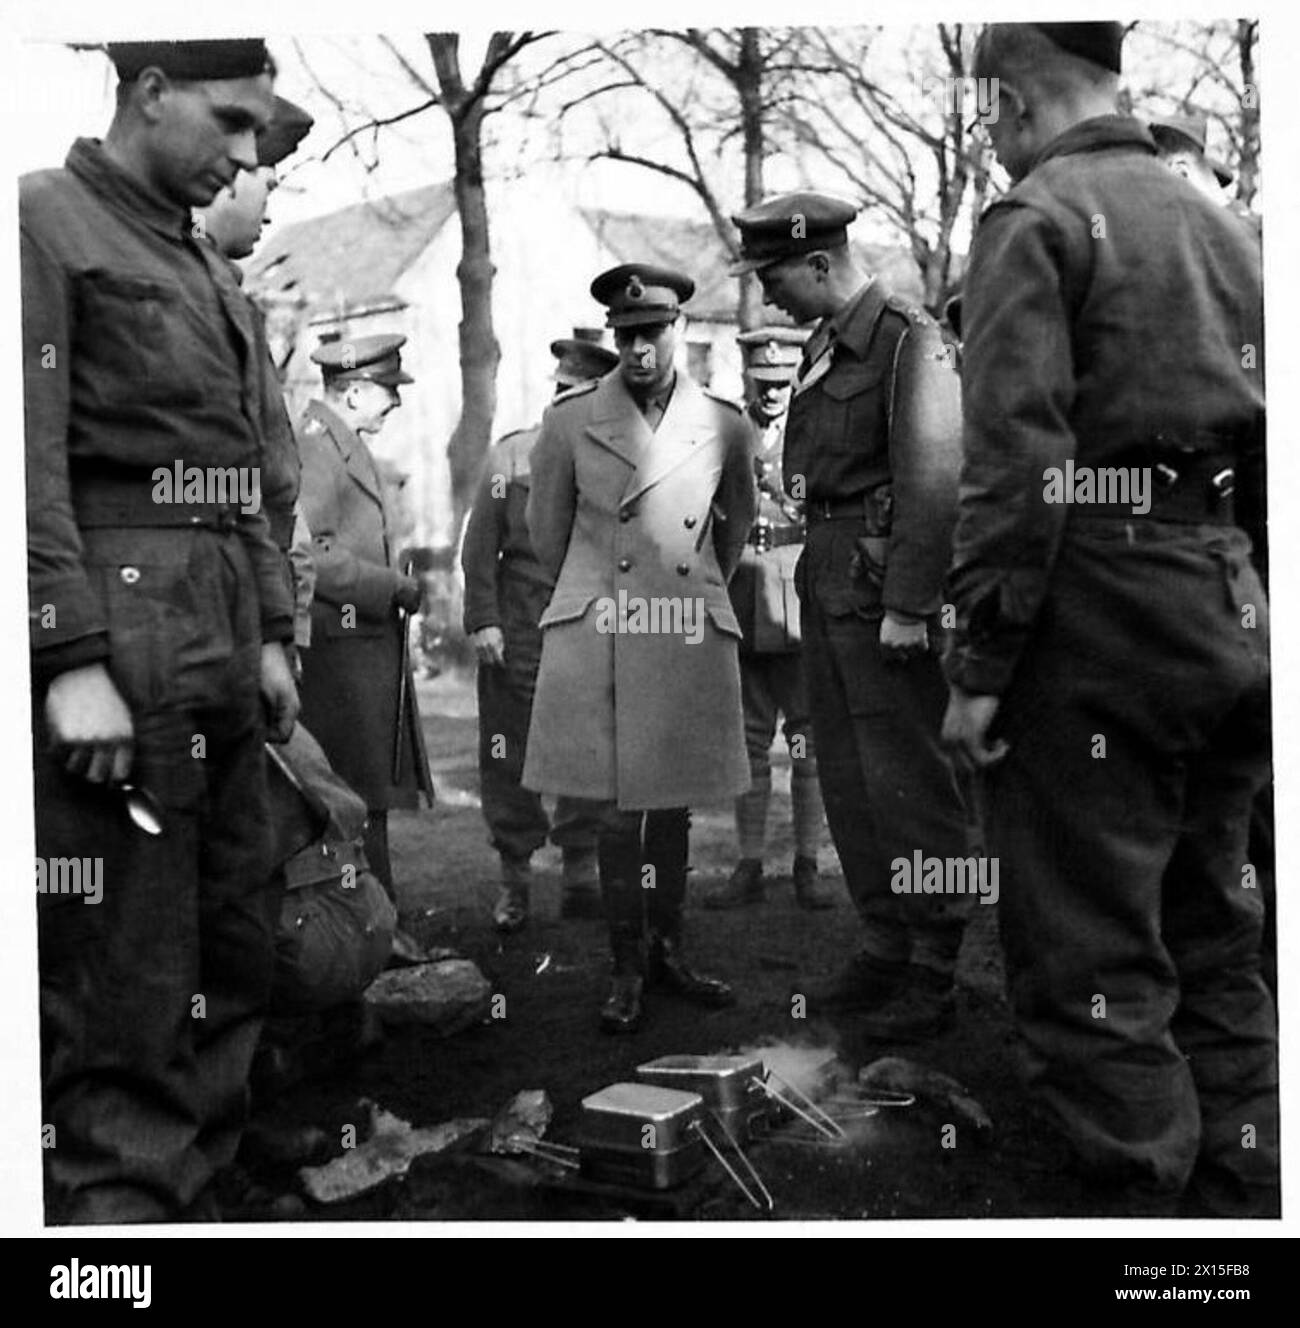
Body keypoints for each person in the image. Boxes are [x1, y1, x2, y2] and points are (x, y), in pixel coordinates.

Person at [942, 21, 1276, 1216]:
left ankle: (1142, 1227)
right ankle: (1247, 1190)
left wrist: (980, 662)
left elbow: (1016, 467)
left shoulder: (1034, 220)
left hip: (1098, 621)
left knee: (1089, 945)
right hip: (1226, 605)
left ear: (1014, 104)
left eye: (992, 112)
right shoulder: (1222, 224)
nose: (991, 135)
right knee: (1214, 921)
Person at [24, 38, 299, 1224]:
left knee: (234, 930)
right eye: (232, 124)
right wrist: (67, 657)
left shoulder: (197, 262)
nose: (247, 154)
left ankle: (207, 1167)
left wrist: (275, 633)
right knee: (127, 961)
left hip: (224, 633)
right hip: (123, 637)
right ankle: (119, 1215)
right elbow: (17, 462)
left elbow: (244, 469)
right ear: (148, 92)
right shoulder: (39, 225)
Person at [729, 192, 973, 1041]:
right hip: (828, 583)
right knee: (849, 774)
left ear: (822, 263)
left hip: (882, 598)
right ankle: (885, 943)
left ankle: (936, 964)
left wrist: (911, 603)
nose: (770, 300)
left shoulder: (910, 338)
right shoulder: (832, 342)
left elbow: (933, 480)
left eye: (776, 280)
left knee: (907, 776)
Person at [523, 263, 756, 1033]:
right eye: (626, 336)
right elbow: (545, 534)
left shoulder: (724, 424)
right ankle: (625, 969)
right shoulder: (569, 421)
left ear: (679, 329)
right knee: (621, 815)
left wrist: (685, 596)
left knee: (674, 806)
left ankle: (668, 953)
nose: (640, 349)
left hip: (684, 626)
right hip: (607, 631)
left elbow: (734, 529)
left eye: (653, 333)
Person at [461, 330, 616, 930]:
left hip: (587, 624)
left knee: (588, 749)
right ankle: (515, 881)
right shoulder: (511, 456)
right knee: (510, 754)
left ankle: (581, 872)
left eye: (577, 393)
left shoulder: (613, 458)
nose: (563, 402)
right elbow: (481, 548)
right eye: (559, 391)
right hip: (519, 626)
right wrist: (484, 621)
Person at [296, 334, 434, 964]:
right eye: (387, 392)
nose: (394, 405)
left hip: (360, 649)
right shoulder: (317, 450)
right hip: (339, 656)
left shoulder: (343, 445)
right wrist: (390, 587)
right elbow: (310, 553)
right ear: (352, 392)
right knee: (355, 799)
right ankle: (371, 932)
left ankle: (380, 927)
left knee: (368, 795)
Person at [704, 326, 830, 911]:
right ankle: (749, 863)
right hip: (742, 592)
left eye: (783, 381)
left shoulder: (817, 426)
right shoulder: (726, 430)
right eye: (764, 380)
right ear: (747, 376)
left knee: (806, 740)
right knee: (750, 741)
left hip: (799, 595)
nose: (774, 392)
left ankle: (807, 863)